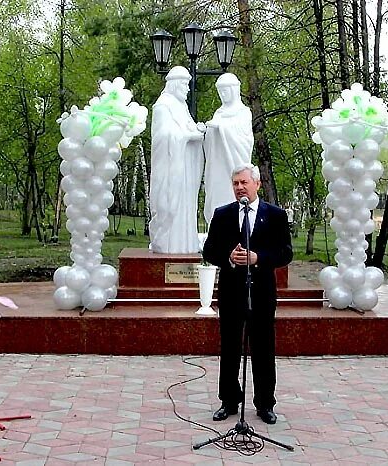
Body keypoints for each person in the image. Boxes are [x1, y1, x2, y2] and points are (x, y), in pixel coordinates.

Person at [202, 163, 293, 424]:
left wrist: (258, 258)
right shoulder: (223, 215)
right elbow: (209, 250)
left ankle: (265, 403)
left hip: (262, 292)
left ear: (257, 184)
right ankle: (229, 401)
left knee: (263, 348)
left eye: (244, 182)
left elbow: (286, 252)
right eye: (235, 183)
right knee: (230, 347)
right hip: (231, 292)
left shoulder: (275, 215)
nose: (240, 187)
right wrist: (228, 257)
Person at [148, 66, 205, 254]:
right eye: (185, 85)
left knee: (185, 208)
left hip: (185, 169)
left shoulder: (181, 107)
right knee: (170, 207)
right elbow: (162, 136)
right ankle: (165, 243)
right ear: (174, 85)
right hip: (171, 169)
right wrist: (187, 135)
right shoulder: (163, 105)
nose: (188, 89)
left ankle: (185, 244)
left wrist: (197, 130)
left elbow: (186, 128)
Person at [202, 73, 253, 227]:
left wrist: (222, 127)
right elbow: (210, 139)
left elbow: (246, 140)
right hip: (217, 167)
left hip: (232, 163)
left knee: (232, 197)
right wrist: (206, 131)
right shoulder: (219, 112)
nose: (223, 95)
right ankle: (215, 229)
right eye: (221, 91)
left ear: (234, 90)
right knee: (216, 199)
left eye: (226, 91)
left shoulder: (243, 112)